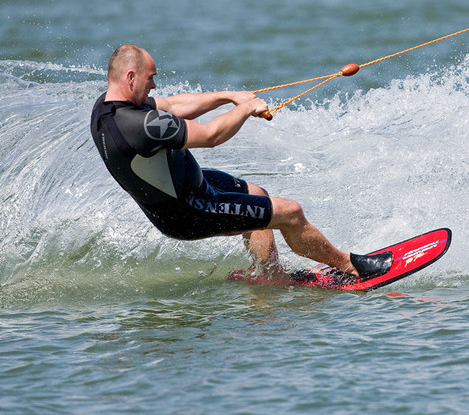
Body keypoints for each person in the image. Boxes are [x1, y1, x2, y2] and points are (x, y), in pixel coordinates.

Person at [90, 44, 390, 284]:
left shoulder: (108, 108)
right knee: (290, 212)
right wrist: (246, 108)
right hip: (189, 209)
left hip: (183, 189)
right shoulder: (140, 126)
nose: (154, 85)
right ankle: (351, 266)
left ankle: (271, 278)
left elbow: (173, 105)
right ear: (130, 77)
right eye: (150, 78)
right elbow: (210, 136)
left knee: (257, 195)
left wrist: (228, 96)